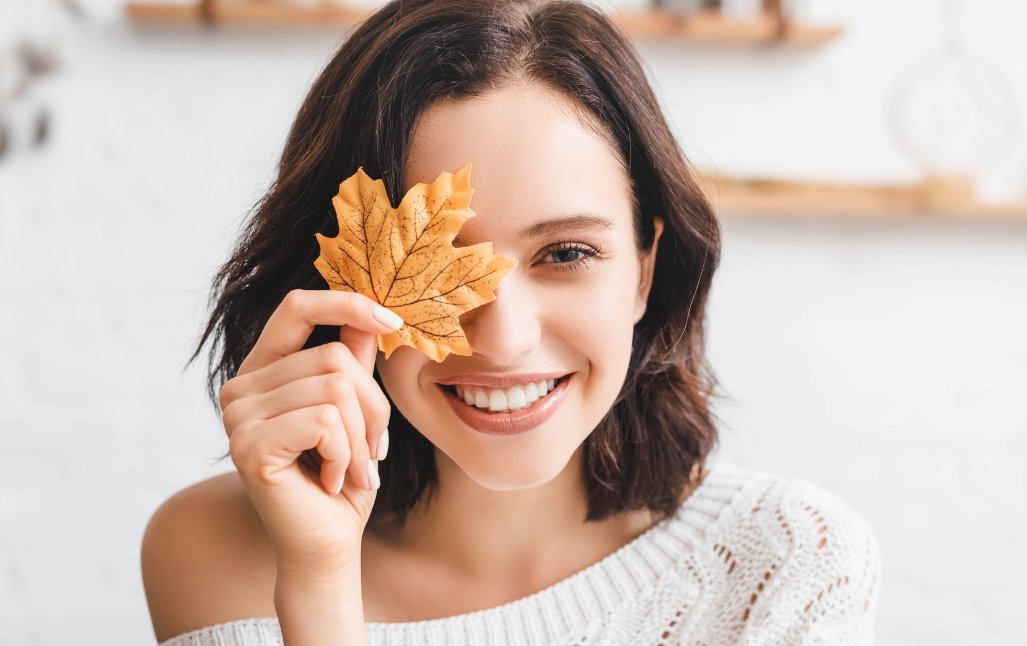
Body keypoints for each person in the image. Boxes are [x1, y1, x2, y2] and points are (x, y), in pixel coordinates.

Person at [140, 1, 882, 644]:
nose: (502, 337)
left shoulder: (785, 560)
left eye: (566, 253)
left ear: (644, 271)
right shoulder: (213, 550)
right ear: (338, 280)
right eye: (439, 265)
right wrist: (319, 582)